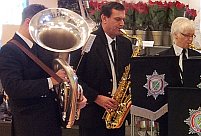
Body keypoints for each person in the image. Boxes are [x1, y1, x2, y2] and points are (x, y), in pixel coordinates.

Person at [0, 4, 87, 135]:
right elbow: (13, 88)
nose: (46, 29)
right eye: (43, 25)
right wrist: (51, 81)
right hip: (29, 124)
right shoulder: (9, 50)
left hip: (50, 120)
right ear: (28, 22)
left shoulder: (40, 48)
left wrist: (74, 98)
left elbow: (56, 81)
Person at [72, 2, 132, 136]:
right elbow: (74, 78)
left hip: (118, 114)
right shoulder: (87, 41)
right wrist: (96, 97)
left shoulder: (126, 43)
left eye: (123, 19)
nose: (122, 24)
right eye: (117, 19)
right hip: (93, 115)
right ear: (104, 19)